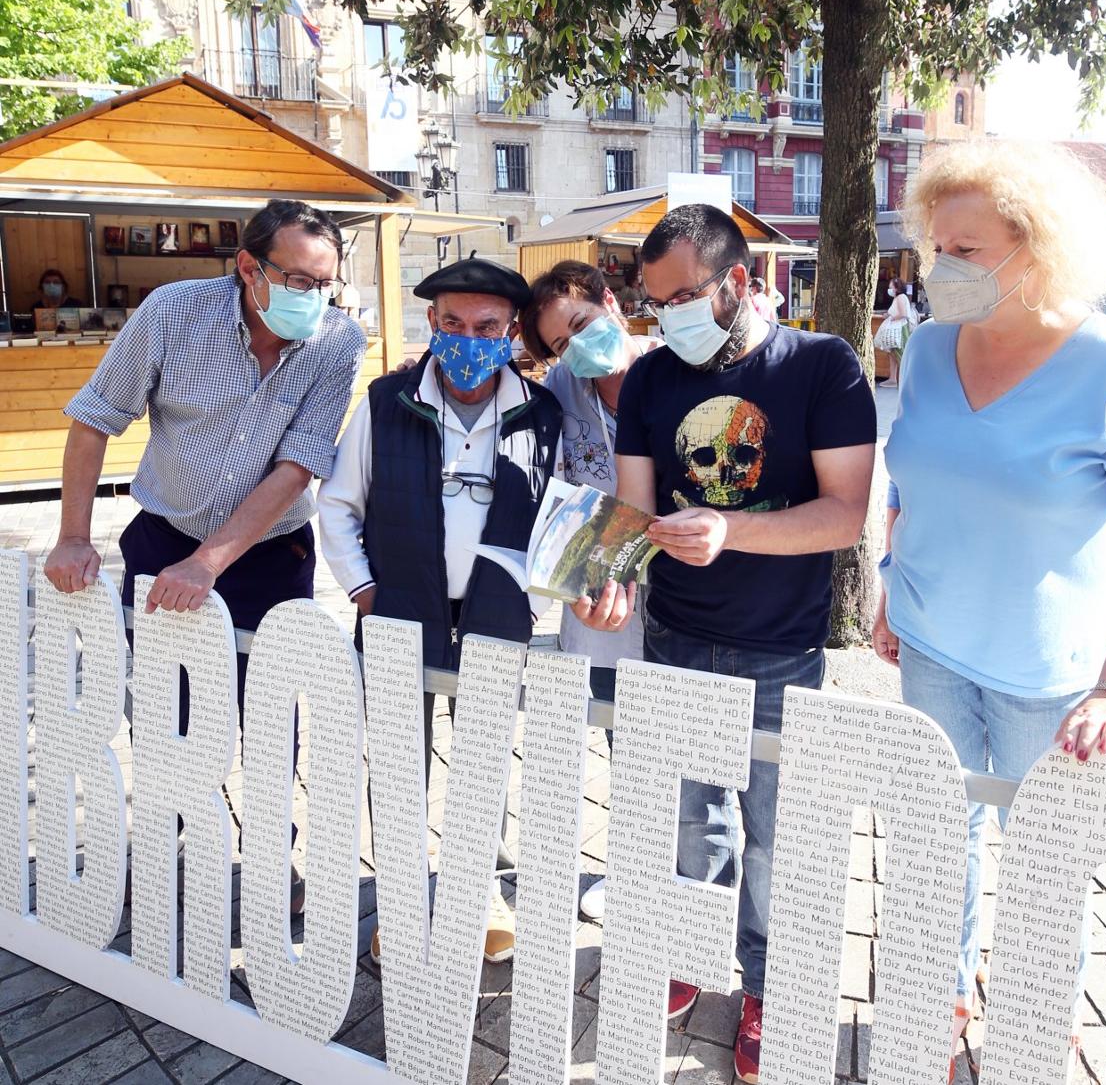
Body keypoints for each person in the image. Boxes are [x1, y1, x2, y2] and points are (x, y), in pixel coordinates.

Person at [872, 140, 1106, 1080]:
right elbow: (915, 480)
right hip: (930, 645)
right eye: (936, 246)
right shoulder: (928, 348)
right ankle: (939, 997)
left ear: (1037, 251)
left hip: (1050, 679)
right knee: (939, 835)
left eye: (966, 251)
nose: (940, 270)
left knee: (1049, 855)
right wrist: (892, 579)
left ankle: (1042, 1009)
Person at [573, 203, 877, 1084]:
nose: (663, 316)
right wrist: (612, 580)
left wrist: (729, 529)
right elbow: (632, 510)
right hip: (675, 635)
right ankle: (688, 948)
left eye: (680, 296)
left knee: (779, 834)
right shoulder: (654, 379)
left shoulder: (823, 364)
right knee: (687, 815)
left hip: (782, 645)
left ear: (738, 283)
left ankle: (772, 987)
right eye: (651, 300)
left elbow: (844, 515)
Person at [44, 198, 367, 913]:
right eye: (300, 281)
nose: (315, 300)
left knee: (269, 713)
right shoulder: (172, 314)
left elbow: (298, 465)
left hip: (270, 554)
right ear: (249, 267)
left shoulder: (339, 341)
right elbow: (95, 418)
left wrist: (212, 563)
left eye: (327, 284)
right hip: (164, 539)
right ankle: (178, 837)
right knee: (167, 712)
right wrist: (72, 535)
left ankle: (269, 858)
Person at [317, 253, 563, 968]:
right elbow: (338, 505)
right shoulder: (385, 401)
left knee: (486, 758)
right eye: (452, 322)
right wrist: (364, 588)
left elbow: (558, 518)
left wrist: (534, 602)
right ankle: (398, 898)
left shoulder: (541, 413)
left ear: (511, 330)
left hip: (495, 615)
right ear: (432, 321)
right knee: (397, 761)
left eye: (486, 325)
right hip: (399, 610)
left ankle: (476, 892)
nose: (467, 337)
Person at [516, 258, 663, 921]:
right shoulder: (563, 391)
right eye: (558, 344)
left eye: (581, 325)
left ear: (610, 300)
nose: (578, 349)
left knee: (681, 746)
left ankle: (686, 882)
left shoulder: (673, 372)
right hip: (602, 597)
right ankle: (634, 875)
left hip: (686, 597)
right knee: (624, 739)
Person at [873, 277, 912, 386]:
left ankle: (906, 380)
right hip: (898, 328)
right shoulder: (900, 298)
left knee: (900, 354)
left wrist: (890, 317)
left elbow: (903, 314)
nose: (889, 289)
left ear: (896, 288)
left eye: (891, 287)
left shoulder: (900, 298)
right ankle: (893, 378)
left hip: (899, 329)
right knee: (893, 354)